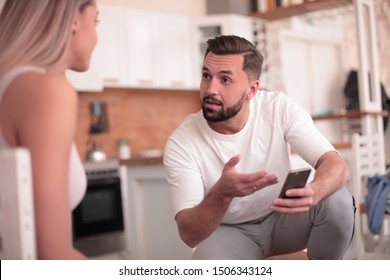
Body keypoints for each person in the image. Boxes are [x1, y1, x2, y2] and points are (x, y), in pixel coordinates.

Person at [163, 35, 355, 260]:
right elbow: (189, 234)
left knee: (337, 201)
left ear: (252, 90)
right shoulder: (182, 142)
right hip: (231, 231)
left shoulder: (277, 108)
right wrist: (222, 193)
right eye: (206, 76)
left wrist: (314, 191)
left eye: (225, 80)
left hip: (284, 216)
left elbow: (336, 165)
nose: (210, 89)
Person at [0, 0, 99, 259]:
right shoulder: (46, 90)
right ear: (74, 19)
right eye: (96, 20)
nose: (97, 36)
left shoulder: (11, 83)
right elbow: (52, 256)